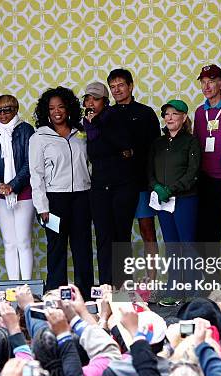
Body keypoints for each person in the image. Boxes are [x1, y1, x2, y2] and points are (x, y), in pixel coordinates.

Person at [29, 86, 93, 298]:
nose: (57, 111)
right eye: (52, 108)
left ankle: (85, 293)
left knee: (82, 247)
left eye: (61, 107)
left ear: (69, 109)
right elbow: (36, 174)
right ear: (46, 111)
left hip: (82, 196)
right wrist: (42, 206)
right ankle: (56, 293)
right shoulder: (39, 137)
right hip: (54, 198)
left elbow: (90, 163)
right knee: (56, 248)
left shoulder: (81, 133)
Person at [106, 69, 161, 278]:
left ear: (130, 86)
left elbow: (155, 148)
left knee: (147, 231)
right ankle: (123, 283)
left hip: (141, 183)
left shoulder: (146, 113)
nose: (117, 90)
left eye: (120, 85)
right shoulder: (107, 115)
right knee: (120, 235)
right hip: (116, 185)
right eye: (112, 87)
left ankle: (152, 281)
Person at [82, 81, 138, 286]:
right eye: (88, 99)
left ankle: (123, 287)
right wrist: (93, 125)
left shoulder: (114, 117)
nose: (91, 103)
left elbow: (123, 144)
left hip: (122, 186)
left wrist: (98, 124)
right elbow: (96, 153)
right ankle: (106, 286)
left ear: (104, 101)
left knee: (121, 237)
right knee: (103, 237)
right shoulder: (87, 124)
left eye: (95, 99)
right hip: (99, 187)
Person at [148, 100, 201, 302]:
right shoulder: (158, 143)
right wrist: (157, 187)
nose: (169, 117)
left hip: (184, 199)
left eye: (174, 114)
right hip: (162, 201)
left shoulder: (190, 141)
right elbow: (149, 170)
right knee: (171, 245)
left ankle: (192, 289)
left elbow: (192, 172)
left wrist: (172, 189)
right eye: (166, 114)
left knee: (187, 244)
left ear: (184, 117)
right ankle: (174, 289)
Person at [0, 95, 35, 281]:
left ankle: (27, 286)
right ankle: (14, 287)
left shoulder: (27, 130)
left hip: (24, 191)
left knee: (24, 242)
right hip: (0, 193)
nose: (3, 114)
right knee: (9, 243)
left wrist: (13, 185)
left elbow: (30, 163)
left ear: (16, 109)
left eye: (7, 110)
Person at [193, 64, 221, 245]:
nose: (206, 87)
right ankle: (212, 274)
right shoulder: (199, 111)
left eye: (211, 82)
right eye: (203, 82)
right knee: (209, 232)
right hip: (207, 179)